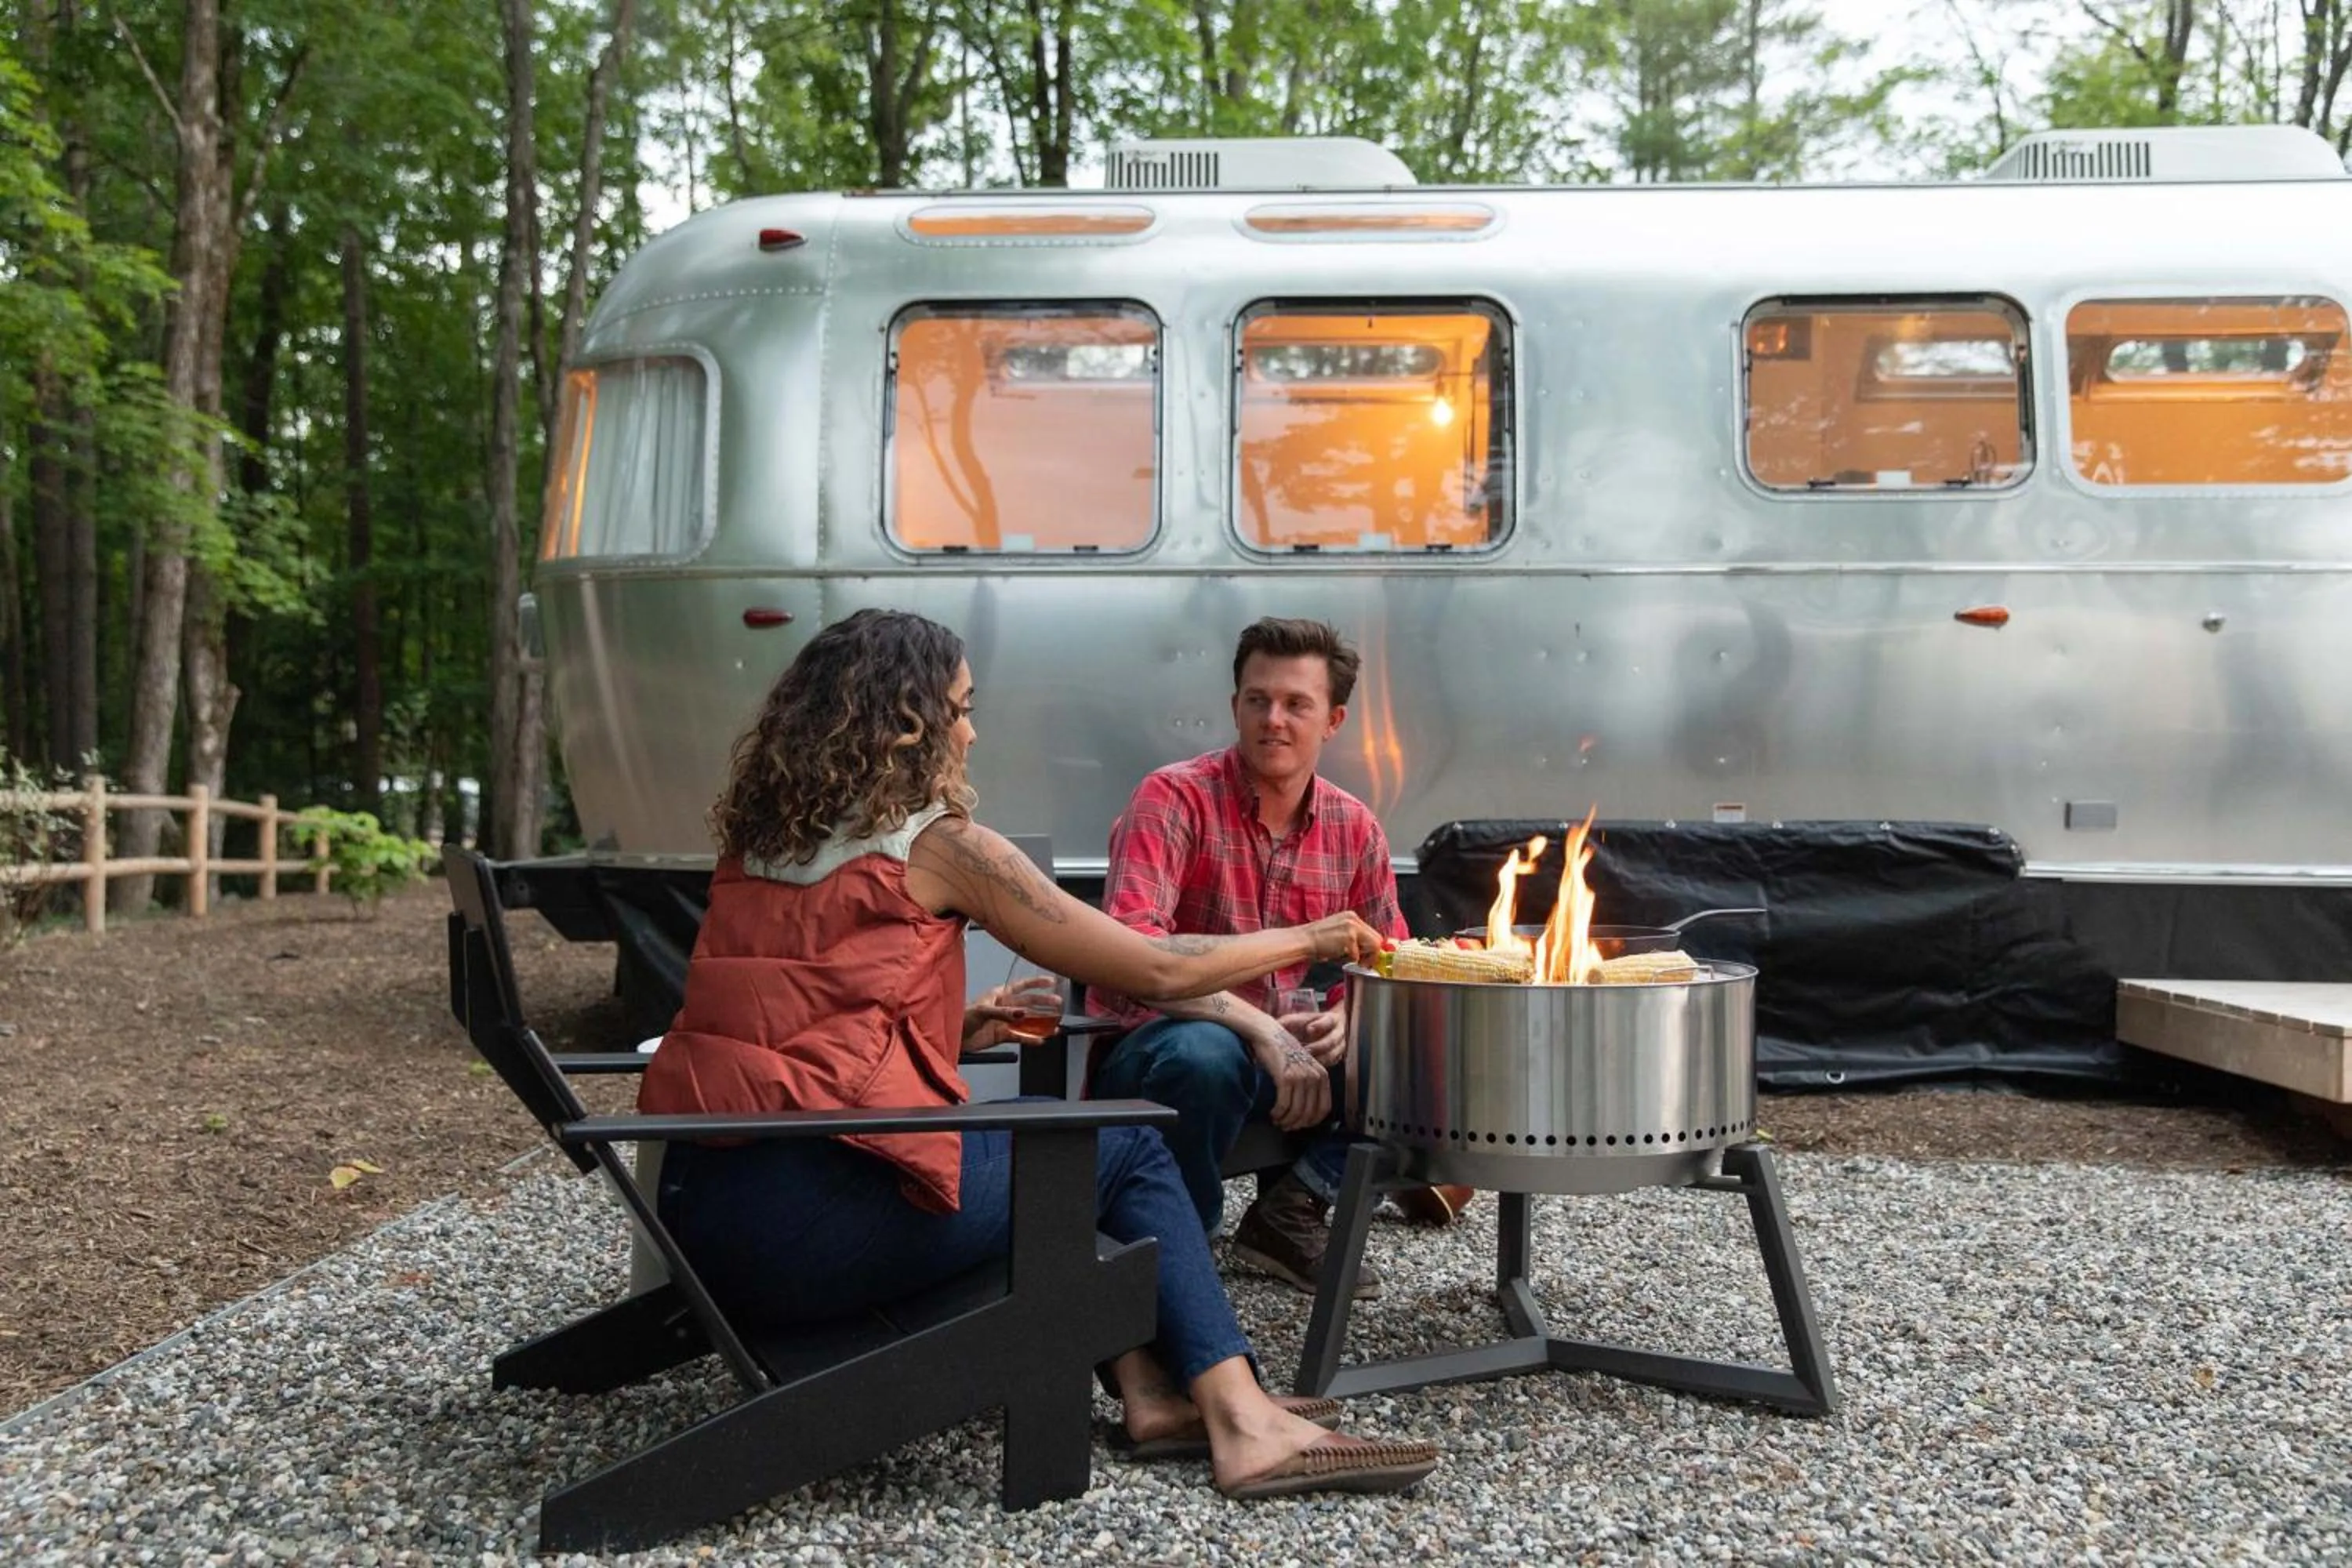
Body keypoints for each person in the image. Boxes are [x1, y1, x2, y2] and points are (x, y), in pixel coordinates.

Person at [638, 608, 1439, 1501]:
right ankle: (1244, 1420)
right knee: (1121, 1144)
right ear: (907, 722)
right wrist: (1311, 936)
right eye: (962, 706)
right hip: (817, 1228)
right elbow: (1149, 961)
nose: (973, 729)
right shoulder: (944, 847)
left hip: (703, 1211)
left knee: (1055, 1144)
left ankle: (1149, 1392)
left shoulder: (762, 844)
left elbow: (794, 1023)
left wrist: (957, 1024)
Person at [1087, 617, 1475, 1301]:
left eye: (1297, 704)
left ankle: (1292, 1210)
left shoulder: (1354, 826)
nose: (1274, 719)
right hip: (1162, 1043)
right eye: (1257, 700)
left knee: (1425, 1039)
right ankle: (1180, 1247)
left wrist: (1350, 1018)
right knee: (1204, 1054)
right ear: (1235, 705)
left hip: (1283, 1051)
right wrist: (1262, 1030)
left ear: (1333, 721)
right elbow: (1134, 955)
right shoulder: (1171, 798)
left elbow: (1395, 962)